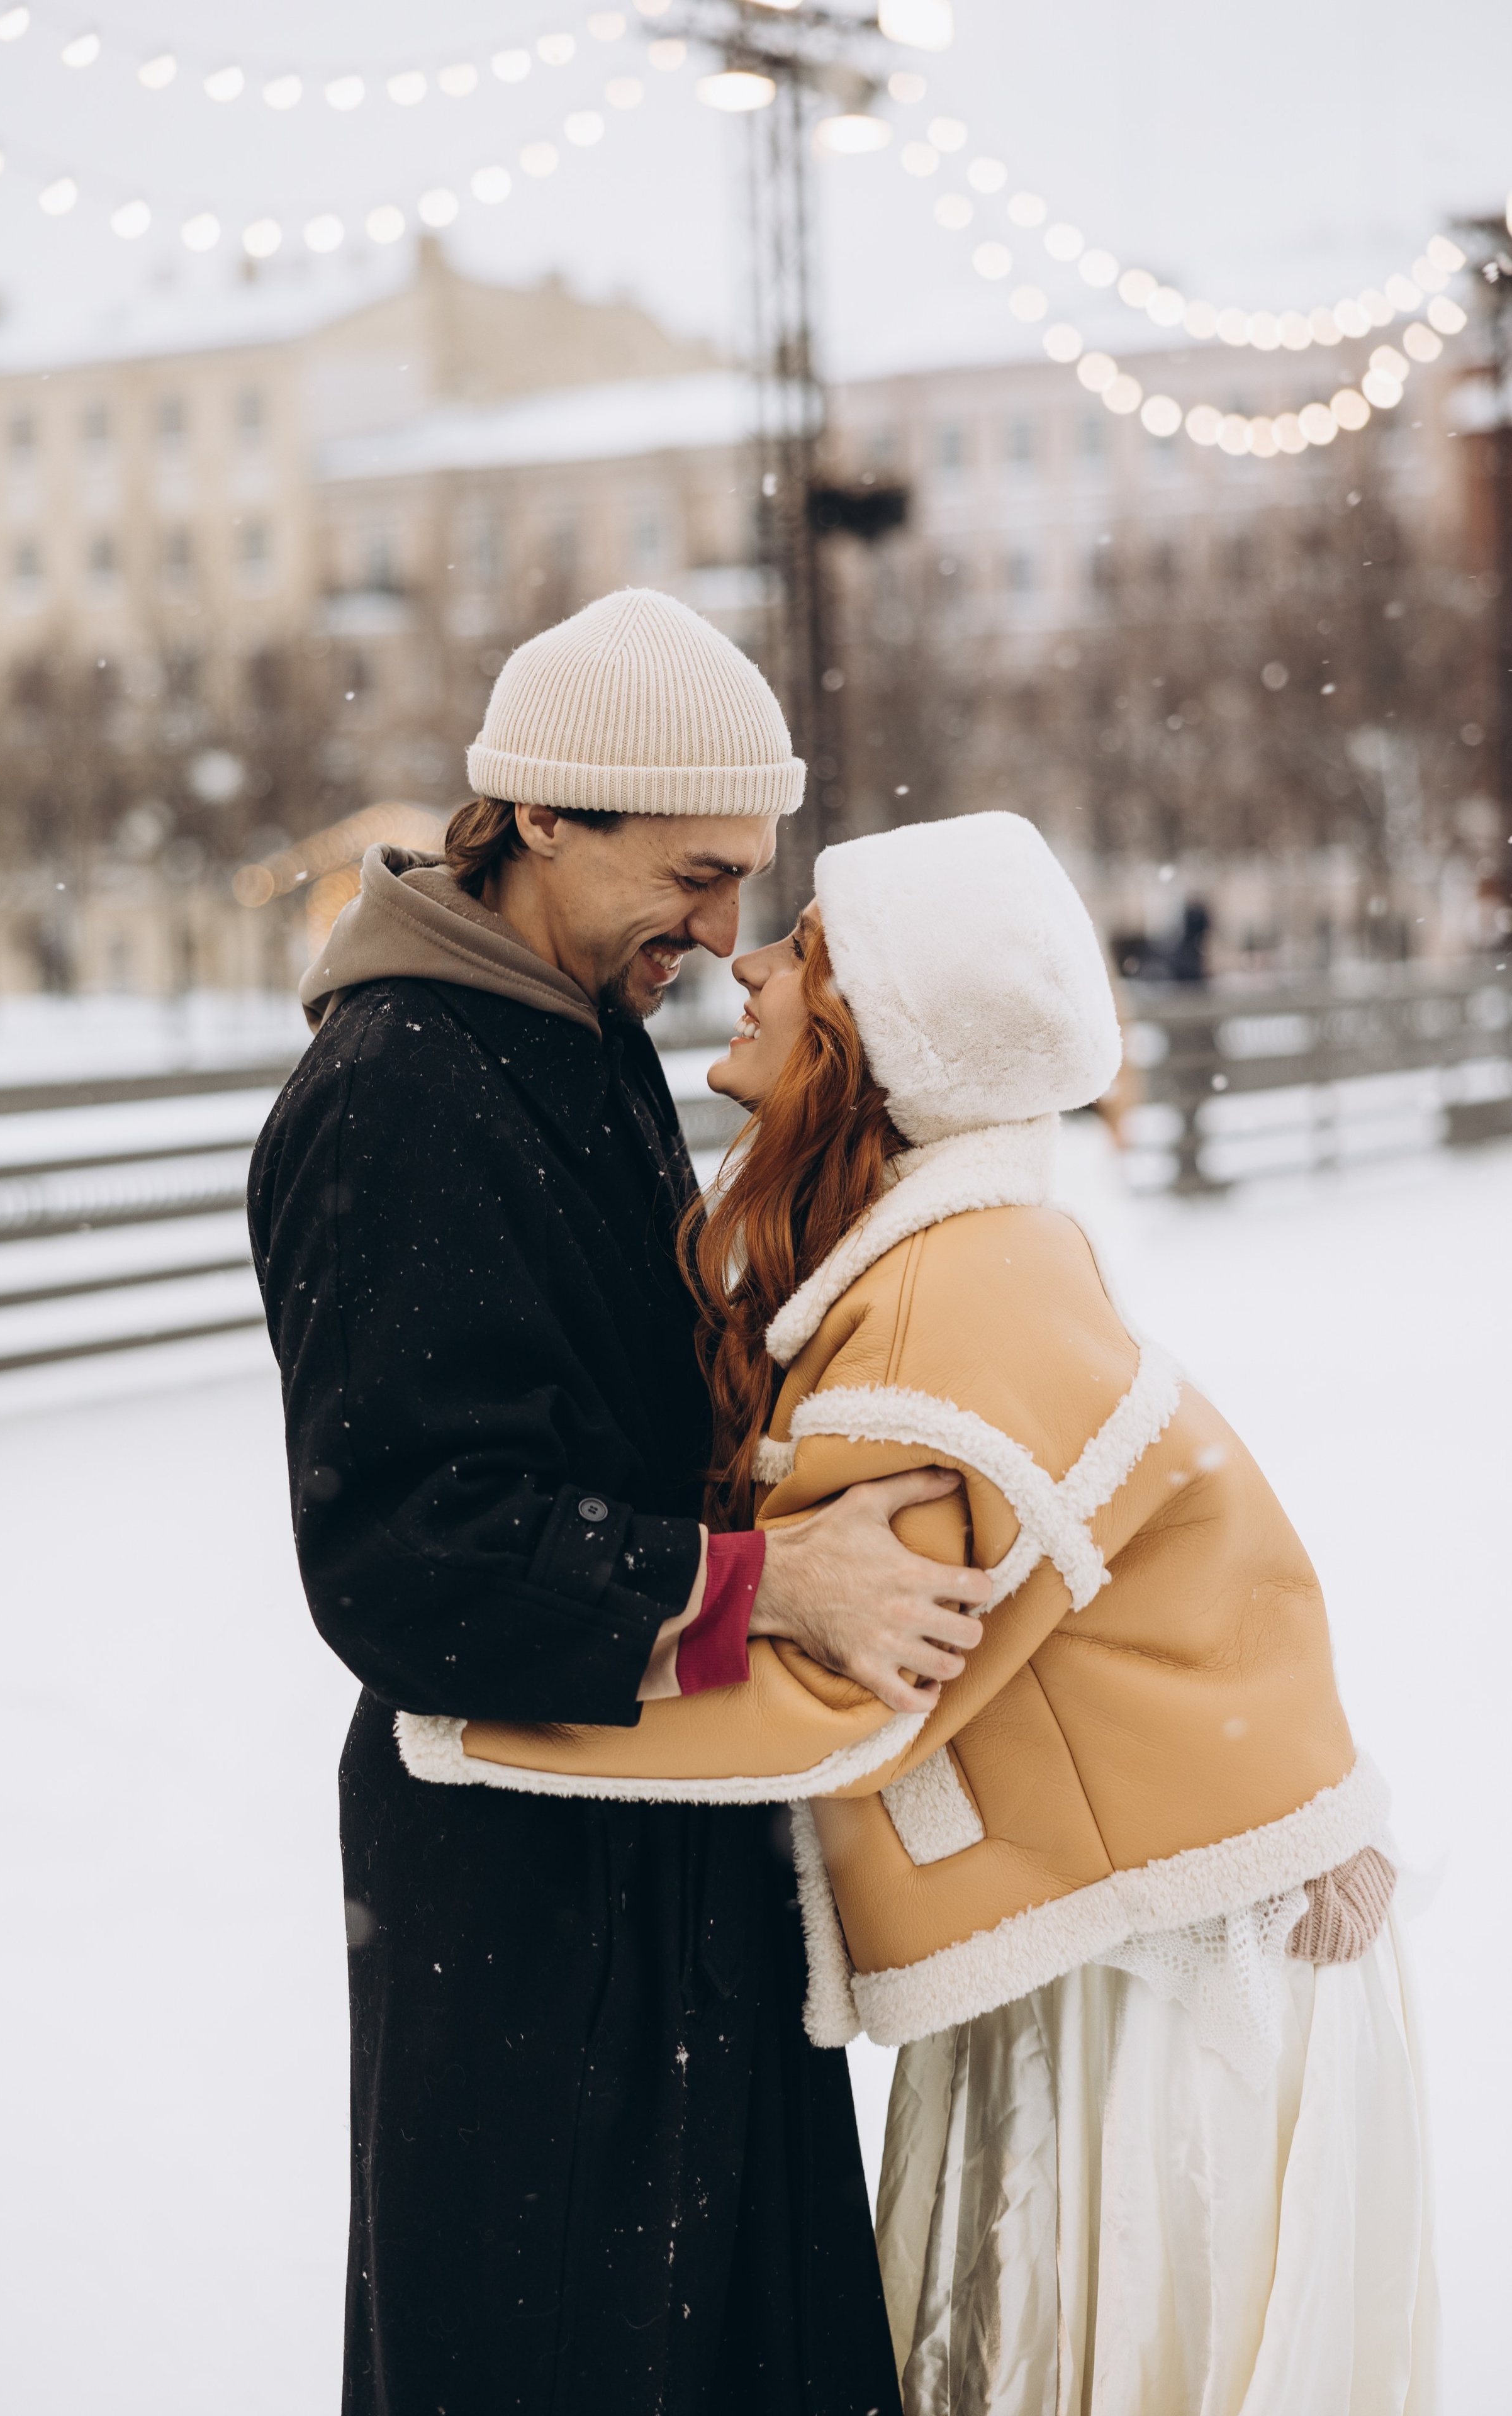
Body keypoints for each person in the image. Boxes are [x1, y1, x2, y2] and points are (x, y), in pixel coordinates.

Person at [432, 810, 1437, 2415]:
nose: (742, 961)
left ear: (872, 1039)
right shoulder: (927, 1252)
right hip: (1105, 1913)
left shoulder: (945, 1297)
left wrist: (469, 1701)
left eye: (801, 952)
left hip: (1166, 1972)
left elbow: (863, 1690)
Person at [249, 587, 988, 2416]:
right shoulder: (401, 1092)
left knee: (720, 2319)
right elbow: (403, 1550)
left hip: (656, 1806)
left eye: (746, 880)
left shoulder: (561, 1032)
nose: (722, 934)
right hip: (524, 1860)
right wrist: (755, 1585)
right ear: (547, 816)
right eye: (695, 871)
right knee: (567, 2339)